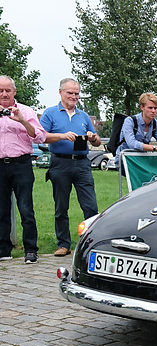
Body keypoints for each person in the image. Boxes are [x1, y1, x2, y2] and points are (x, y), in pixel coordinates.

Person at [40, 78, 101, 257]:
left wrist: (92, 137)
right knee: (61, 206)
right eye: (70, 93)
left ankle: (91, 243)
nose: (74, 96)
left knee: (90, 205)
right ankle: (63, 244)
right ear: (61, 92)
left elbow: (97, 140)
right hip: (60, 163)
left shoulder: (83, 116)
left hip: (82, 163)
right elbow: (42, 137)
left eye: (76, 93)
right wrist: (61, 136)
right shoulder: (50, 113)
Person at [0, 76, 46, 264]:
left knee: (26, 208)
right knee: (1, 209)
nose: (4, 94)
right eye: (0, 90)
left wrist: (21, 121)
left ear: (14, 92)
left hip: (21, 164)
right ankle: (3, 249)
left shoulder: (25, 111)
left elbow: (40, 137)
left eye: (7, 90)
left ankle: (30, 250)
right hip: (0, 165)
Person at [116, 92, 157, 163]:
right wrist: (155, 148)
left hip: (141, 160)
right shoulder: (130, 121)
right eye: (150, 108)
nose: (153, 111)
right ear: (142, 107)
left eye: (155, 108)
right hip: (125, 159)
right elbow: (132, 143)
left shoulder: (154, 123)